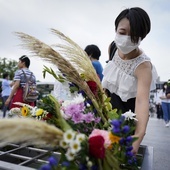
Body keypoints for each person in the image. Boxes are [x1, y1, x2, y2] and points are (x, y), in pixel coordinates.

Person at [102, 7, 158, 155]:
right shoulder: (113, 47)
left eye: (133, 35)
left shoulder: (143, 66)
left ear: (142, 37)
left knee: (116, 156)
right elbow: (109, 81)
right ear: (116, 30)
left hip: (127, 117)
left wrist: (138, 137)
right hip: (106, 110)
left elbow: (141, 101)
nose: (126, 38)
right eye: (122, 32)